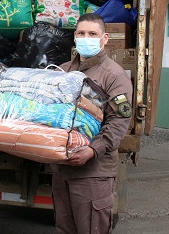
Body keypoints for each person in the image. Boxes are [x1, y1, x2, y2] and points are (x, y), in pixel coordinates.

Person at [52, 13, 134, 233]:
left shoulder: (114, 75)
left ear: (104, 38)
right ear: (74, 37)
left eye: (92, 34)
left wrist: (92, 150)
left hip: (93, 173)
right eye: (81, 33)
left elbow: (119, 121)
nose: (85, 38)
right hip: (62, 169)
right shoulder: (63, 70)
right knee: (64, 228)